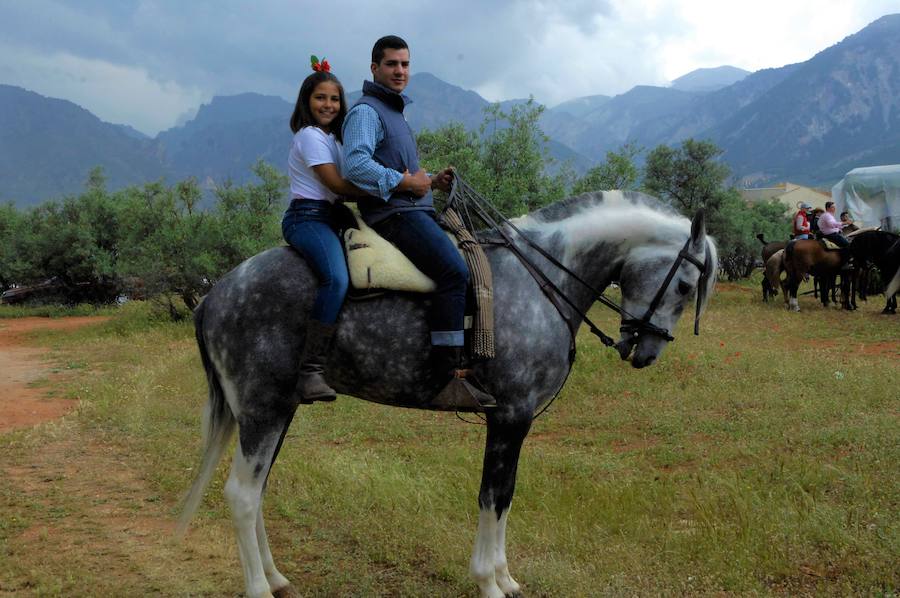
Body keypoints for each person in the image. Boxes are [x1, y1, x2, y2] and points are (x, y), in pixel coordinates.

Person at [342, 35, 495, 409]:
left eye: (405, 64)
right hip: (393, 214)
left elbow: (398, 169)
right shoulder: (366, 112)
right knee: (454, 272)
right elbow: (356, 165)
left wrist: (431, 182)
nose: (400, 71)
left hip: (411, 208)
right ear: (374, 68)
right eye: (392, 64)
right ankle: (447, 375)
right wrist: (406, 183)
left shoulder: (394, 111)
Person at [283, 58, 362, 404]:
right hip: (308, 218)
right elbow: (337, 185)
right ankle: (311, 370)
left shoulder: (335, 140)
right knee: (336, 279)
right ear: (307, 101)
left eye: (334, 99)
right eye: (320, 98)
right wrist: (390, 188)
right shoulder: (310, 137)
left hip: (333, 216)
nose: (328, 105)